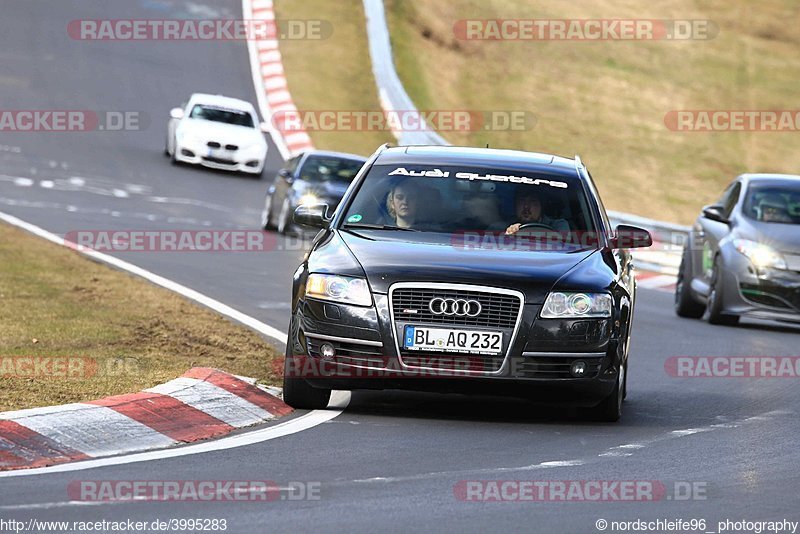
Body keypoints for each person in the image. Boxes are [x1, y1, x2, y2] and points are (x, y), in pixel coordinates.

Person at [505, 189, 570, 235]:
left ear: (541, 206)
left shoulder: (558, 225)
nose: (526, 206)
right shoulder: (504, 225)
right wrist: (508, 236)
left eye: (532, 201)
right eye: (521, 201)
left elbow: (563, 246)